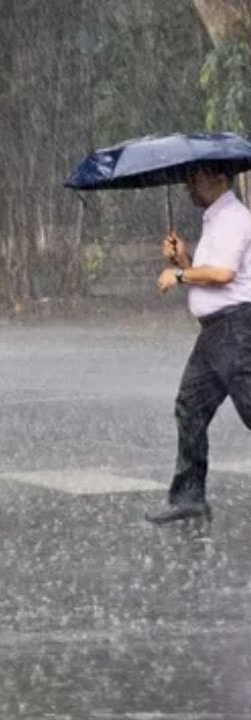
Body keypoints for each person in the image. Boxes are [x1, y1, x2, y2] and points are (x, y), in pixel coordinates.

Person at [148, 166, 251, 524]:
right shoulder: (214, 219)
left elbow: (224, 275)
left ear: (217, 178)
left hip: (236, 329)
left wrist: (177, 274)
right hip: (214, 334)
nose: (188, 186)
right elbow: (209, 276)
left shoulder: (235, 218)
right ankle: (188, 496)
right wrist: (185, 260)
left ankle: (188, 495)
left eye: (193, 179)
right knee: (190, 406)